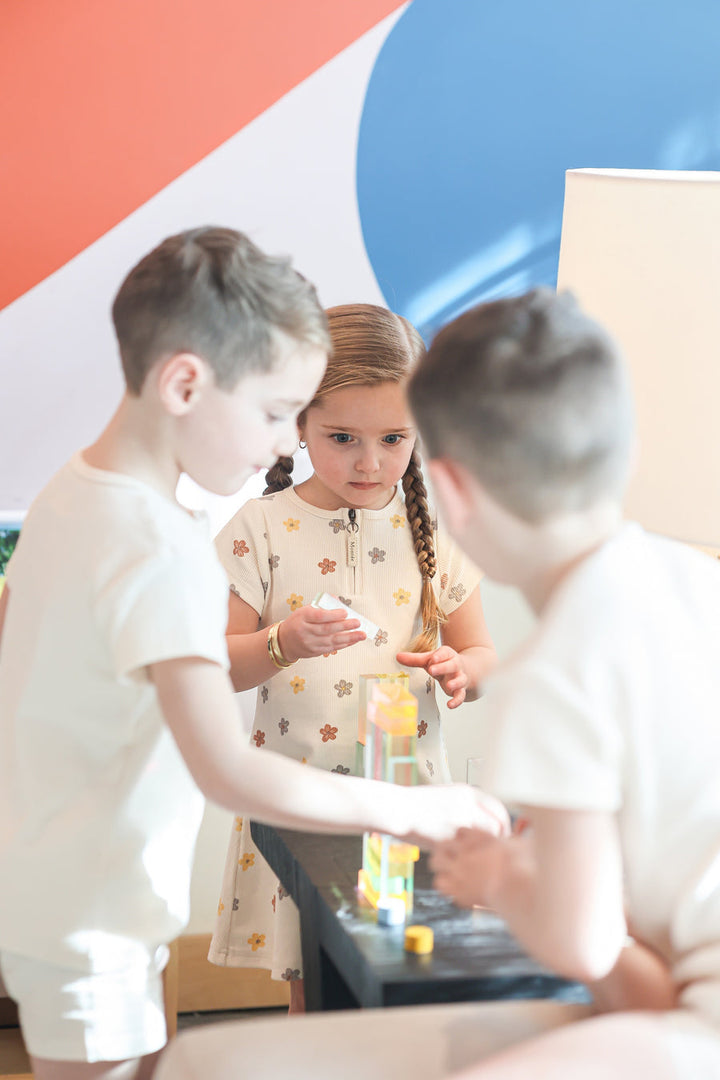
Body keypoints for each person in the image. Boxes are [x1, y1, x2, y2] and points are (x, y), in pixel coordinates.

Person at [157, 287, 720, 1080]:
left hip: (685, 1019)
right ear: (622, 455)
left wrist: (501, 881)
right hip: (675, 995)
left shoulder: (552, 670)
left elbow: (582, 943)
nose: (371, 461)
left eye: (395, 441)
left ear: (445, 486)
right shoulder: (695, 584)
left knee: (202, 1065)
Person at [0, 229, 507, 1080]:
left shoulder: (74, 491)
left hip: (74, 883)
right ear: (188, 384)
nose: (281, 445)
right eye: (278, 414)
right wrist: (413, 811)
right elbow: (228, 771)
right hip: (89, 904)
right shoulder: (156, 544)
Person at [209, 302, 498, 1011]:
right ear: (299, 424)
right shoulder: (261, 529)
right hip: (299, 807)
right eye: (342, 437)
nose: (370, 463)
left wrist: (464, 673)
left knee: (406, 977)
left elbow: (482, 653)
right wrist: (283, 642)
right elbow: (218, 666)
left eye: (394, 438)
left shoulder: (438, 531)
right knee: (315, 985)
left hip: (407, 803)